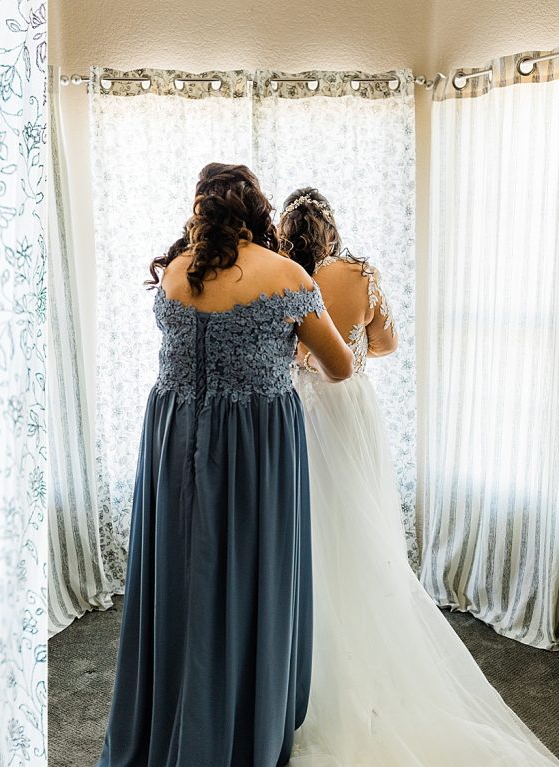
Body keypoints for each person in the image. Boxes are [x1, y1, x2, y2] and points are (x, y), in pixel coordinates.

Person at [281, 187, 559, 766]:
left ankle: (302, 658)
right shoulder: (361, 274)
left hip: (300, 409)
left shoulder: (283, 276)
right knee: (361, 524)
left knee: (310, 528)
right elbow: (384, 344)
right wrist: (355, 337)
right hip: (351, 407)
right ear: (331, 229)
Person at [96, 163, 353, 767]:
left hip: (174, 434)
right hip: (255, 444)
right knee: (251, 572)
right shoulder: (287, 274)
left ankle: (176, 706)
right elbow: (339, 366)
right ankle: (240, 722)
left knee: (181, 571)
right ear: (258, 208)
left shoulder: (175, 273)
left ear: (200, 208)